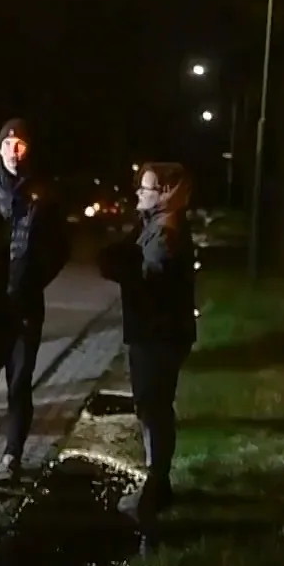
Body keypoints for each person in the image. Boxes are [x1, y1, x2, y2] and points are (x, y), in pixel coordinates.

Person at [99, 163, 197, 517]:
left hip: (158, 335)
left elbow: (149, 280)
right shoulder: (151, 225)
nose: (139, 193)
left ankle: (156, 487)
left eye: (147, 188)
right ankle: (157, 483)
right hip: (150, 332)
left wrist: (119, 268)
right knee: (150, 405)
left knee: (154, 407)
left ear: (165, 194)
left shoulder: (166, 233)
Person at [0, 118, 69, 486]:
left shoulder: (44, 192)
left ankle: (12, 456)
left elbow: (59, 246)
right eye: (8, 144)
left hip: (26, 305)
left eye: (21, 144)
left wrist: (34, 280)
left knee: (19, 383)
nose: (14, 151)